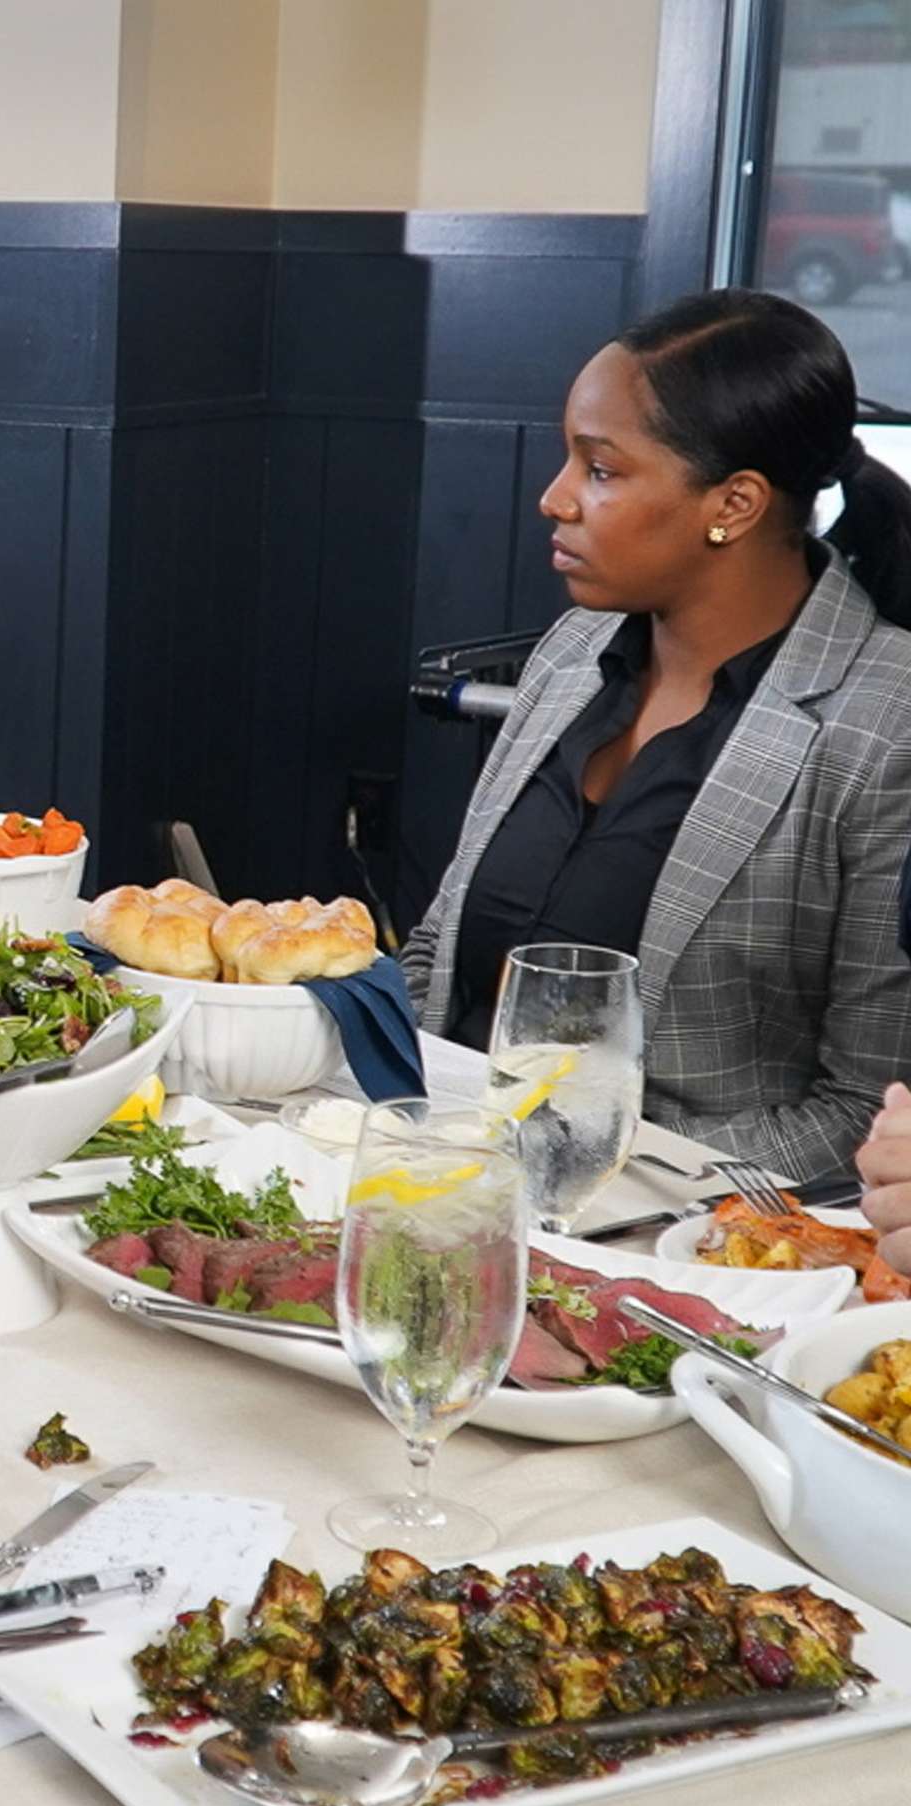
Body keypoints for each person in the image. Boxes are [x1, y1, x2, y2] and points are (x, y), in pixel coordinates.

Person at [402, 289, 911, 1182]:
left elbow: (864, 1112)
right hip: (451, 1181)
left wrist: (592, 1176)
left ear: (736, 504)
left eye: (600, 470)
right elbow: (438, 952)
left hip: (689, 1240)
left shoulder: (885, 722)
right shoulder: (573, 652)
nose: (555, 498)